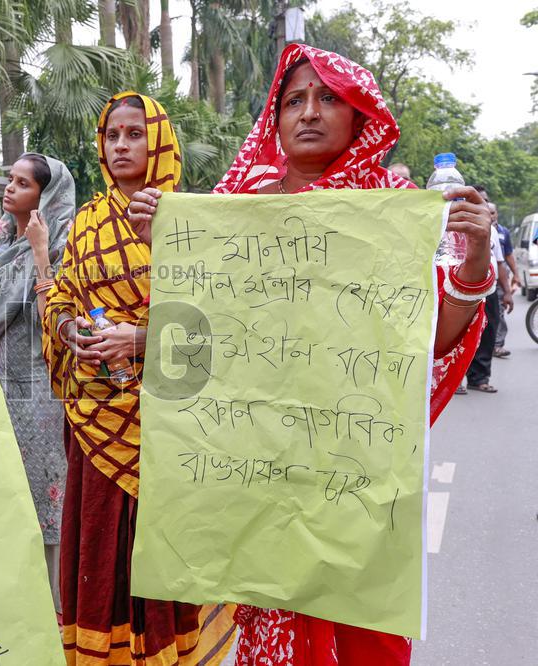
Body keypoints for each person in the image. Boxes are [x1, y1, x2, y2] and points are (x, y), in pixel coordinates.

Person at [212, 44, 491, 665]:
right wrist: (168, 248)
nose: (308, 112)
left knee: (360, 630)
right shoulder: (234, 207)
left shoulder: (395, 203)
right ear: (275, 118)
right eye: (294, 100)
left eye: (328, 97)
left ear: (361, 114)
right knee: (271, 614)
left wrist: (473, 263)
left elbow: (434, 344)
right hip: (261, 464)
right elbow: (202, 326)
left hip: (356, 468)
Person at [42, 92, 236, 665]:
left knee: (166, 550)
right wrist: (71, 328)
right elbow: (59, 296)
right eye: (111, 135)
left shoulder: (195, 219)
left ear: (159, 141)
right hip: (98, 423)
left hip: (172, 424)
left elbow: (224, 321)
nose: (121, 145)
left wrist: (143, 339)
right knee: (101, 550)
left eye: (134, 134)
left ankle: (171, 652)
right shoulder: (87, 223)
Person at [0, 152, 74, 618]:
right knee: (4, 488)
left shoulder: (63, 245)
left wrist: (39, 252)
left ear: (46, 195)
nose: (9, 188)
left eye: (22, 183)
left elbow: (56, 319)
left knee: (43, 487)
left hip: (41, 389)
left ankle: (52, 607)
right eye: (9, 179)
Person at [464, 195, 513, 392]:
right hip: (461, 288)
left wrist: (507, 292)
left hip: (489, 288)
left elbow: (499, 262)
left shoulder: (491, 230)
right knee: (459, 334)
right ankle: (456, 381)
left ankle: (479, 378)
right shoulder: (454, 225)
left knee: (488, 332)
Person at [492, 202, 519, 357]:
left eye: (493, 213)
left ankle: (498, 345)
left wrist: (515, 274)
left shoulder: (503, 232)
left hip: (500, 279)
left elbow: (507, 256)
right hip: (479, 281)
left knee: (499, 312)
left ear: (497, 214)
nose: (490, 216)